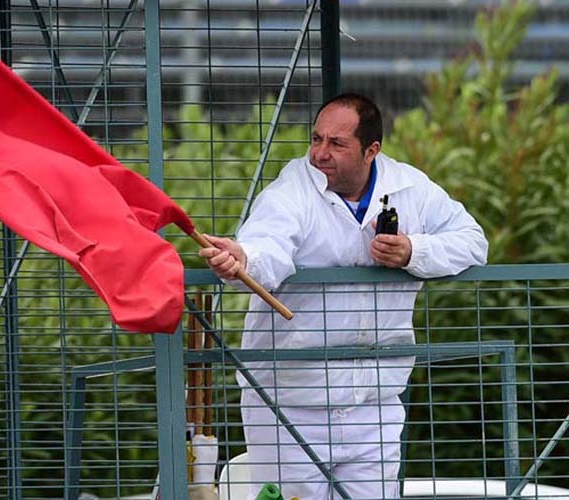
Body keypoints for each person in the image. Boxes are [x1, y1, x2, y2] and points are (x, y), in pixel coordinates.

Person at [199, 93, 488, 500]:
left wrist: (413, 251)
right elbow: (268, 244)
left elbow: (474, 243)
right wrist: (242, 258)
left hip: (376, 402)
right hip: (288, 403)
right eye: (316, 139)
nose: (320, 153)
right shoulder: (291, 190)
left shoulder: (413, 188)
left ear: (372, 150)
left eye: (336, 144)